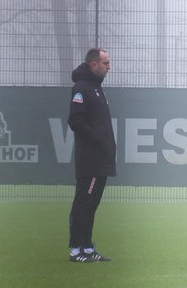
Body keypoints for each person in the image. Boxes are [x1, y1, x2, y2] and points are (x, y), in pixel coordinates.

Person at [67, 48, 116, 263]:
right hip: (91, 159)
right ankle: (76, 250)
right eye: (105, 62)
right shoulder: (81, 88)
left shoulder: (96, 88)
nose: (109, 66)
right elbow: (75, 120)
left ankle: (87, 247)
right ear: (93, 64)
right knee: (84, 203)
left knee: (92, 204)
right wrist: (98, 138)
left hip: (101, 159)